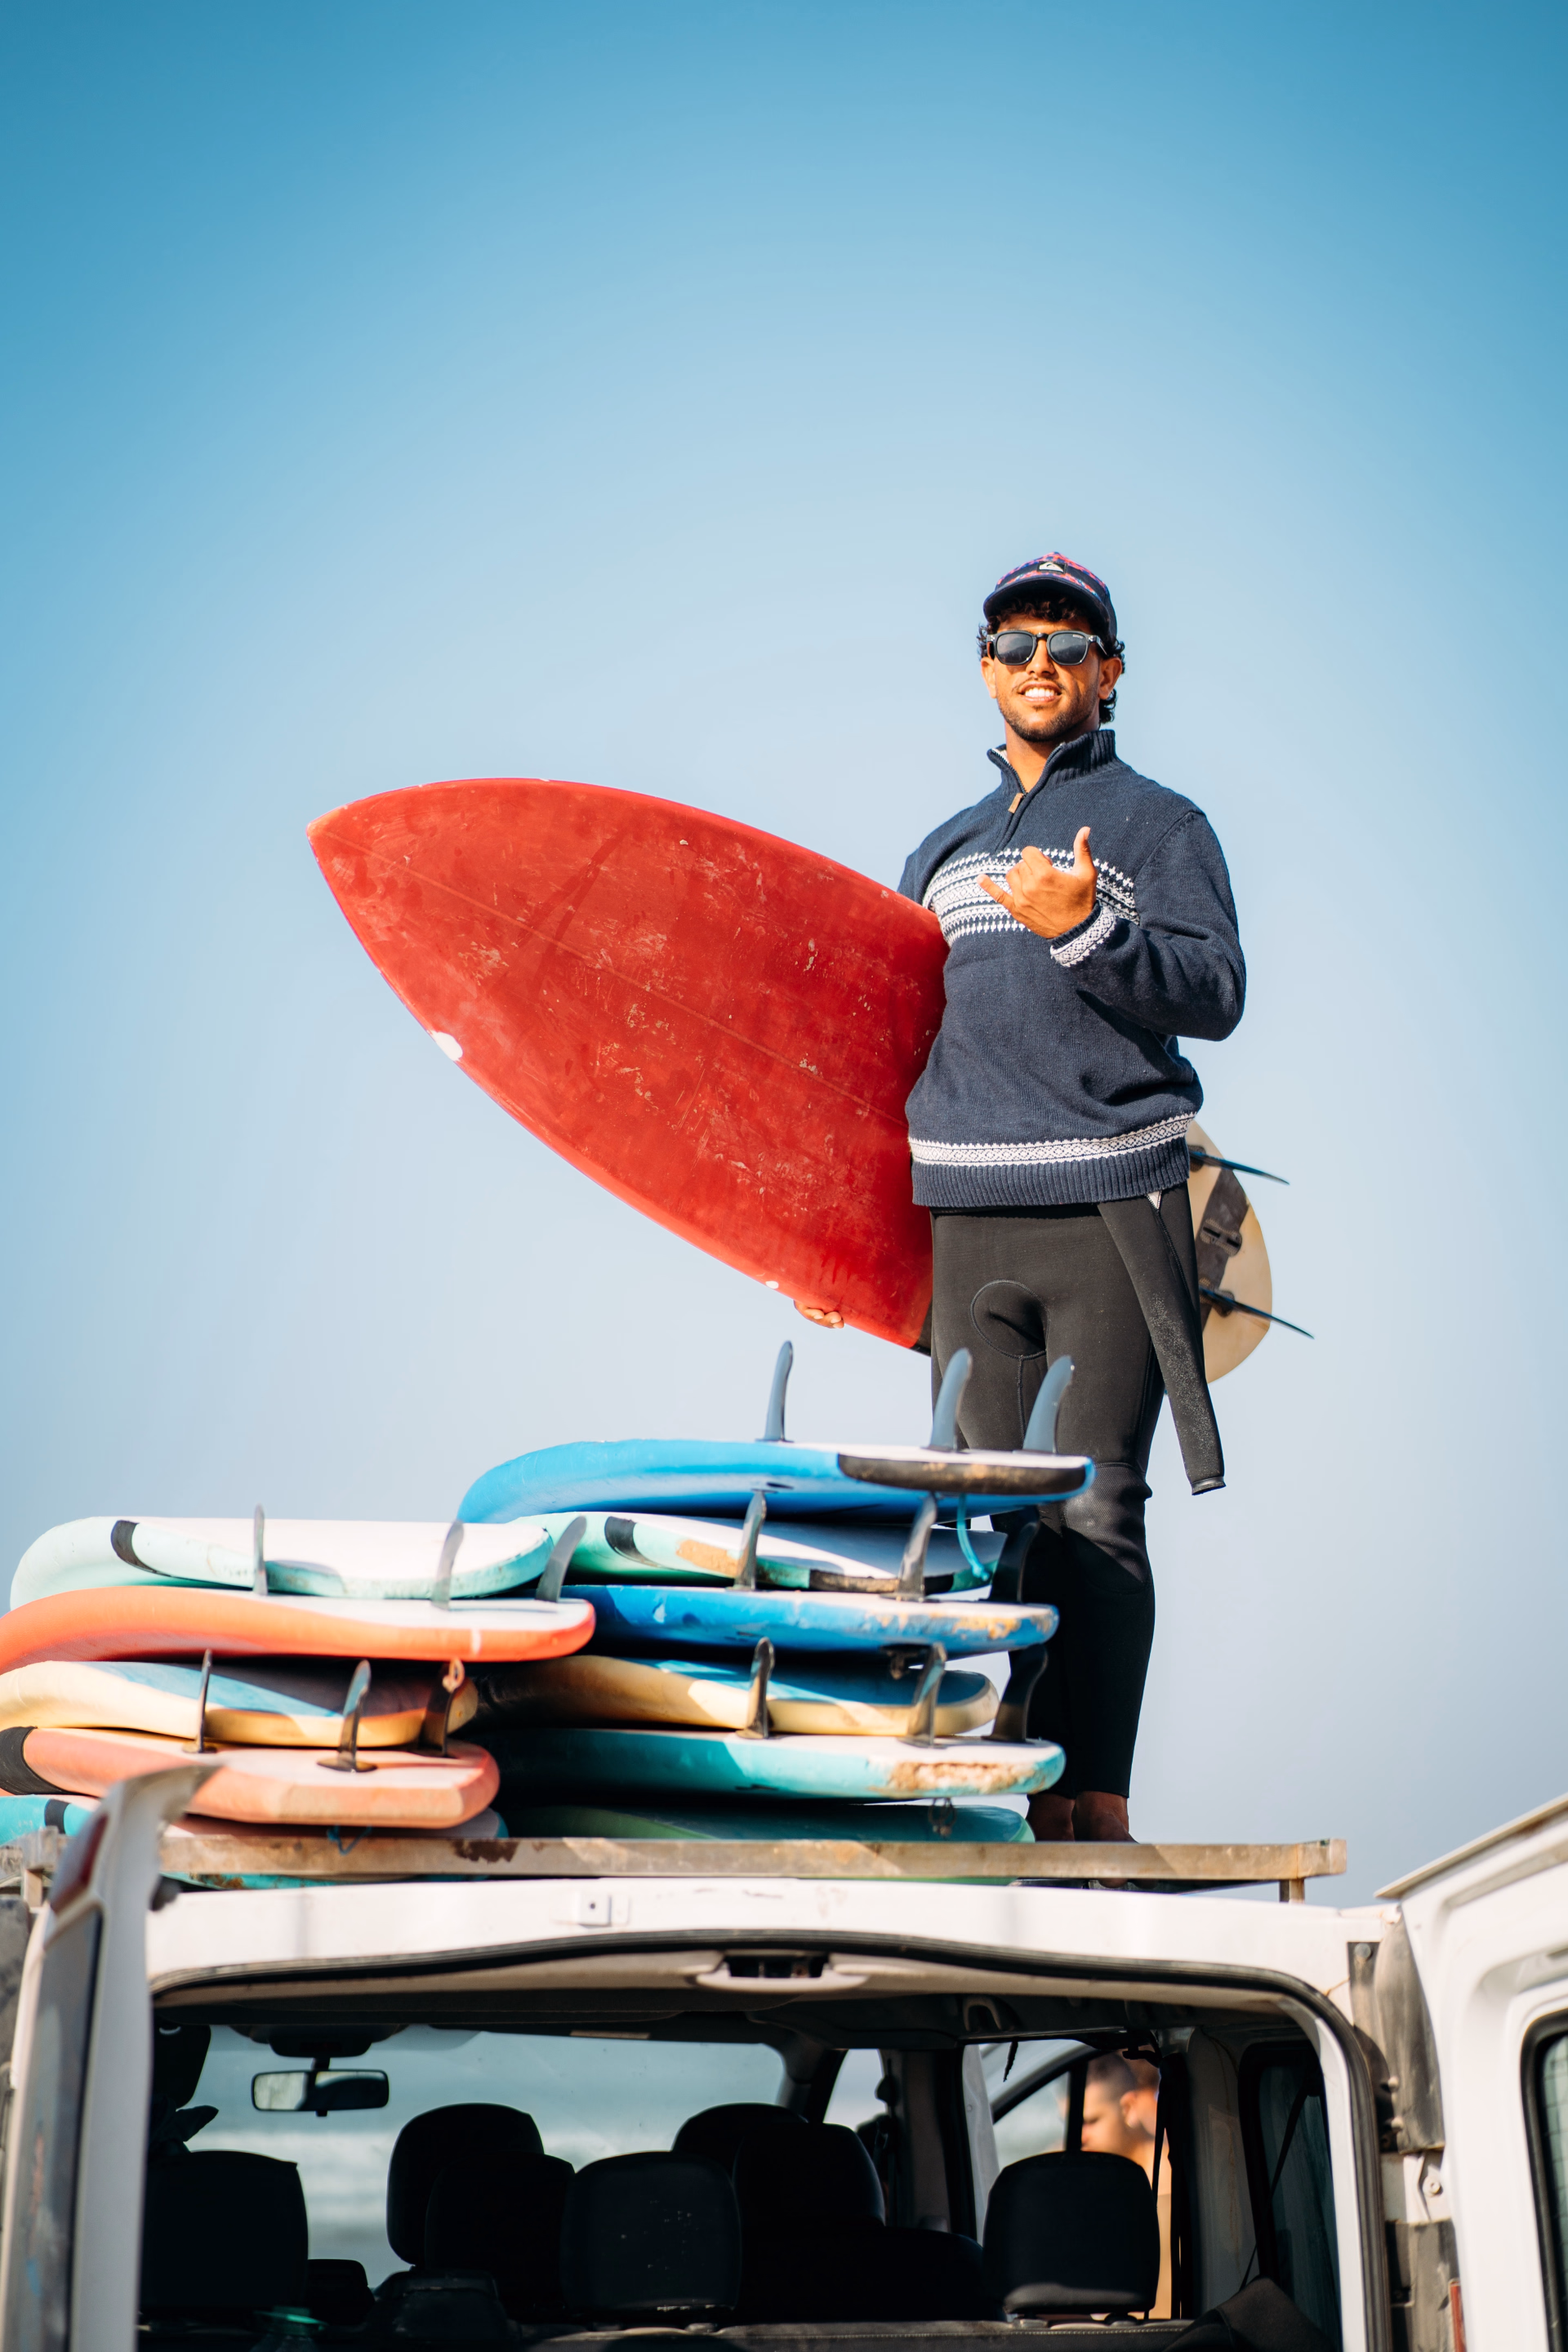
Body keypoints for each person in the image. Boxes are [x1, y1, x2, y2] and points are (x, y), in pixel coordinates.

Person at [806, 555, 1244, 1842]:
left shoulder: (1161, 826)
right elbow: (879, 1048)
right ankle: (1008, 1778)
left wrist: (1084, 927)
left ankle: (1091, 1808)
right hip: (967, 1214)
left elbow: (1215, 993)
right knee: (982, 1510)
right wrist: (825, 1237)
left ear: (1109, 671)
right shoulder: (941, 850)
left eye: (1068, 642)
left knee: (1098, 1500)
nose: (1039, 662)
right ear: (985, 669)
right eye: (1014, 643)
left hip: (1111, 1198)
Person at [1081, 2053, 1171, 2314]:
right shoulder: (1090, 2179)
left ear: (1129, 2109)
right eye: (1071, 2122)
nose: (1080, 2135)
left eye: (1091, 2121)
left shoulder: (1169, 2184)